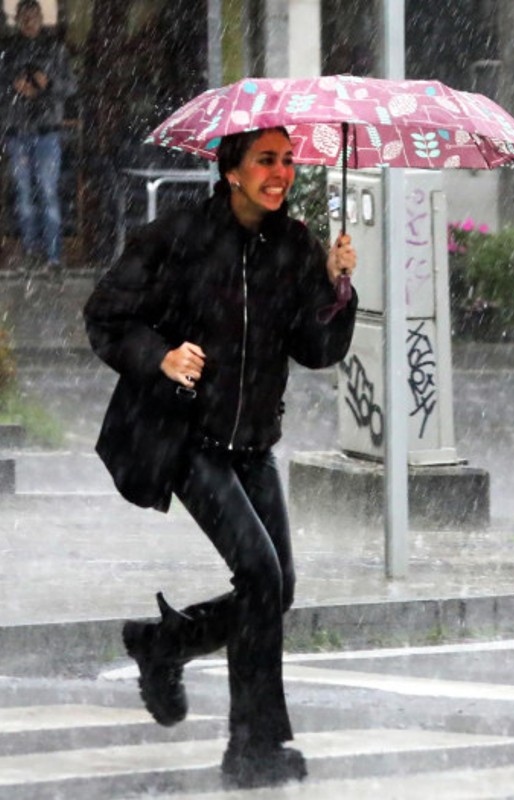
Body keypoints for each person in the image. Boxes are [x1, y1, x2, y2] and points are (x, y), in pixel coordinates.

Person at [83, 127, 358, 789]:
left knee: (276, 591)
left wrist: (339, 290)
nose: (282, 172)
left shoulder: (295, 248)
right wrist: (163, 356)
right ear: (231, 170)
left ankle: (165, 644)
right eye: (267, 159)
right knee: (261, 578)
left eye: (288, 161)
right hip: (187, 440)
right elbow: (106, 316)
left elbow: (316, 350)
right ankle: (253, 750)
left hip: (254, 447)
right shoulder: (178, 238)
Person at [0, 0, 76, 272]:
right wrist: (13, 87)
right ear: (18, 20)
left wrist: (48, 84)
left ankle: (53, 256)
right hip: (18, 132)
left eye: (33, 16)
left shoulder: (55, 50)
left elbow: (70, 86)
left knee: (47, 192)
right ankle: (32, 253)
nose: (29, 21)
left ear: (41, 19)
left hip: (46, 133)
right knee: (23, 195)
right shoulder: (7, 51)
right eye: (25, 17)